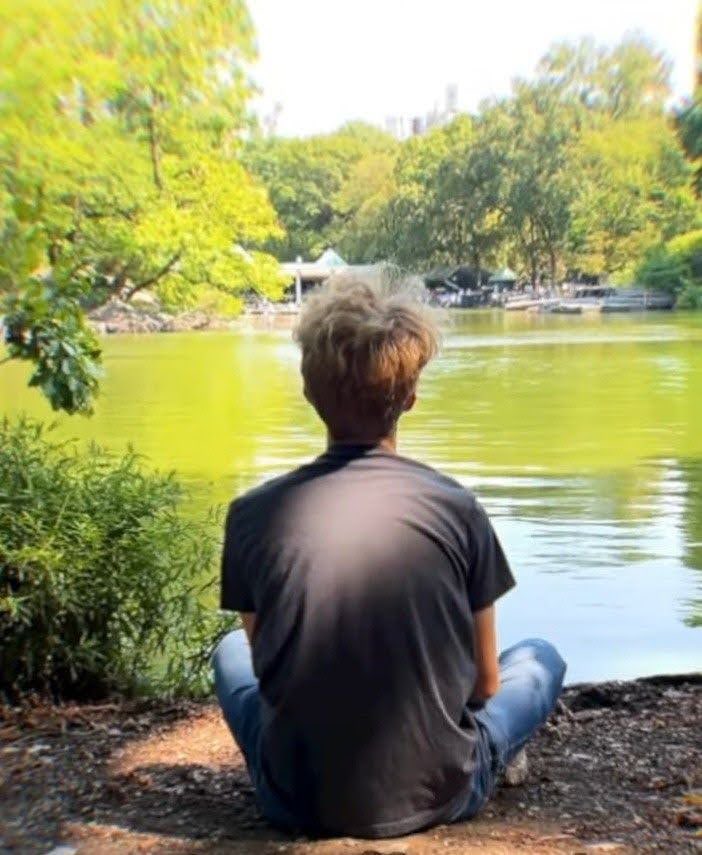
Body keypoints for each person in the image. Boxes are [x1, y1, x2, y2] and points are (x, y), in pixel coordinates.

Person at [213, 276, 566, 839]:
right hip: (441, 792)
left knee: (230, 652)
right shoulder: (457, 508)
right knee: (540, 658)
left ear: (308, 391)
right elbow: (485, 684)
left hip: (294, 800)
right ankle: (482, 759)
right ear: (412, 396)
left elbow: (268, 670)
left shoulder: (251, 515)